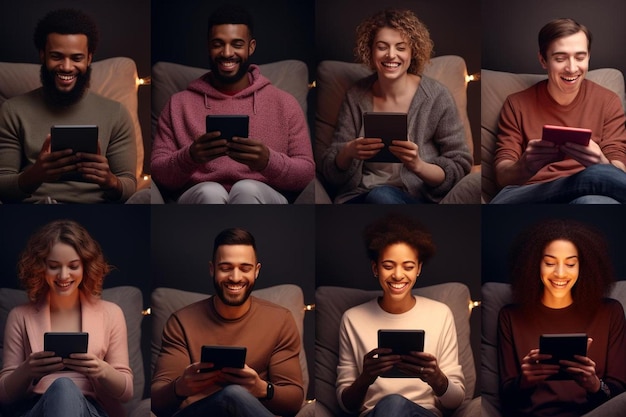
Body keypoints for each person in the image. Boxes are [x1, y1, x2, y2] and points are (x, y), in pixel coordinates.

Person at [151, 5, 314, 204]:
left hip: (263, 193)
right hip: (200, 193)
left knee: (246, 188)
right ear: (208, 46)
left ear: (251, 47)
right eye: (218, 44)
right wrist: (190, 156)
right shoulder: (178, 104)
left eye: (237, 44)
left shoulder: (285, 103)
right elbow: (158, 173)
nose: (227, 53)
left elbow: (306, 172)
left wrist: (268, 161)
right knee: (209, 192)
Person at [319, 9, 472, 204]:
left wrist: (418, 165)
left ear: (412, 51)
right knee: (377, 196)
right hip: (360, 196)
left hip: (412, 198)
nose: (391, 55)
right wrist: (348, 152)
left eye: (401, 47)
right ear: (370, 50)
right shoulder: (356, 96)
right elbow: (329, 170)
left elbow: (459, 164)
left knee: (382, 196)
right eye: (382, 47)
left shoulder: (436, 97)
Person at [151, 227, 304, 416]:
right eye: (226, 268)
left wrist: (262, 389)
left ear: (256, 271)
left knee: (234, 394)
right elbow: (156, 402)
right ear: (212, 269)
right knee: (231, 395)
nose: (235, 277)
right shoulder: (180, 322)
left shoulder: (281, 320)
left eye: (245, 268)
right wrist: (180, 387)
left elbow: (294, 401)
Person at [0, 9, 137, 204]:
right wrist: (34, 175)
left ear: (89, 58)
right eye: (56, 56)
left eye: (76, 58)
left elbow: (130, 184)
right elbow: (2, 184)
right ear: (42, 55)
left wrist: (111, 181)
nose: (66, 67)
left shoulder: (116, 113)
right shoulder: (12, 110)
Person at [0, 220, 133, 416]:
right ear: (40, 267)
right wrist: (27, 370)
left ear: (85, 266)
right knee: (62, 388)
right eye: (54, 266)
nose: (63, 275)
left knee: (65, 388)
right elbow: (4, 395)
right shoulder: (20, 315)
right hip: (36, 409)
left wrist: (102, 370)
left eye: (73, 266)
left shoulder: (111, 313)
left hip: (89, 409)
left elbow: (127, 391)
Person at [337, 214, 465, 416]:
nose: (398, 275)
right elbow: (345, 405)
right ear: (375, 268)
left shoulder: (440, 314)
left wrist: (436, 377)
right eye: (388, 266)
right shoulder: (352, 318)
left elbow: (455, 401)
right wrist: (365, 378)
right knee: (391, 405)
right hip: (374, 413)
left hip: (423, 413)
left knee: (395, 404)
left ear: (419, 269)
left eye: (408, 267)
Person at [497, 219, 626, 416]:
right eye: (549, 263)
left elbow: (619, 393)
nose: (559, 273)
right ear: (534, 264)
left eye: (570, 264)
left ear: (583, 266)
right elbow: (507, 398)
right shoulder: (510, 316)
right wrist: (524, 381)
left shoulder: (610, 312)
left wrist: (594, 385)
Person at [491, 18, 626, 204]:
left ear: (589, 57)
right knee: (595, 177)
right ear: (543, 60)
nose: (572, 68)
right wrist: (525, 165)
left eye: (580, 57)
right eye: (560, 58)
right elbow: (501, 178)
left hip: (589, 193)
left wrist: (601, 163)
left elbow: (619, 167)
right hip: (528, 195)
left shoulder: (608, 101)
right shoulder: (516, 104)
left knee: (593, 201)